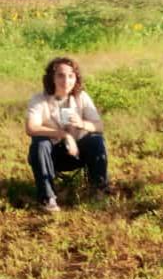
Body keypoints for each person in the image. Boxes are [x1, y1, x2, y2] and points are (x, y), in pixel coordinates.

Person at [26, 57, 110, 212]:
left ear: (76, 78)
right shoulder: (38, 99)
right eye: (60, 75)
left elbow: (99, 125)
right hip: (51, 155)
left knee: (96, 140)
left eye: (71, 76)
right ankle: (47, 198)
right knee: (40, 142)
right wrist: (64, 134)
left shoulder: (81, 97)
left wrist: (82, 124)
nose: (66, 80)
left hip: (77, 153)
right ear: (52, 78)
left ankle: (99, 192)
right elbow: (31, 128)